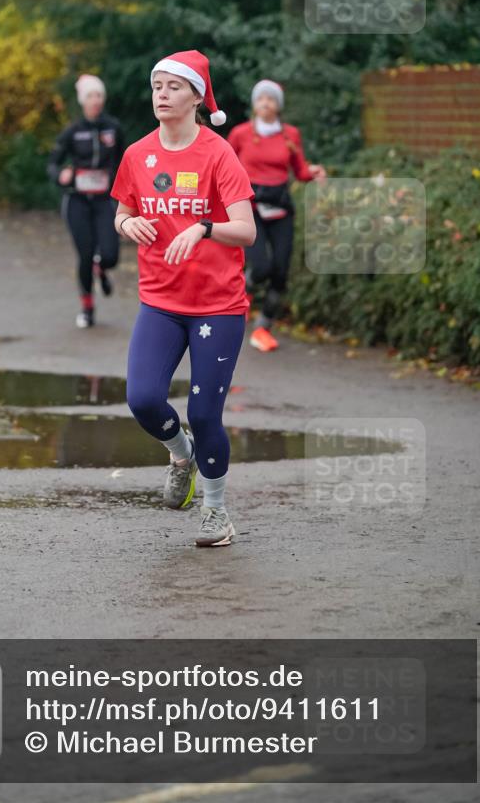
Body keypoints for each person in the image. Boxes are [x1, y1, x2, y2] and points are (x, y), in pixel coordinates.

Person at [110, 50, 256, 547]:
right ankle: (180, 453)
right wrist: (126, 222)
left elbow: (247, 230)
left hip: (218, 304)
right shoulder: (136, 154)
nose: (163, 95)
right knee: (143, 399)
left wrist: (205, 227)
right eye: (157, 87)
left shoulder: (218, 154)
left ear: (197, 96)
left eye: (174, 87)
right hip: (160, 302)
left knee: (205, 413)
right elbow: (123, 212)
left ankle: (215, 512)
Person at [227, 79, 326, 352]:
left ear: (278, 106)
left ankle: (263, 327)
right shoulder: (240, 134)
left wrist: (313, 173)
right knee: (260, 268)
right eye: (261, 99)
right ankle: (238, 292)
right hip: (251, 207)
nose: (266, 103)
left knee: (280, 272)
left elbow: (300, 169)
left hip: (281, 207)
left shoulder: (290, 135)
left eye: (271, 99)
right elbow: (224, 164)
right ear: (254, 104)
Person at [48, 74, 125, 328]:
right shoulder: (72, 131)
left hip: (105, 200)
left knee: (111, 254)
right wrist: (61, 175)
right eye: (91, 96)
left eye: (99, 95)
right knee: (84, 253)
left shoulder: (113, 128)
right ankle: (87, 308)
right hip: (77, 201)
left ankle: (101, 268)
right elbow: (52, 164)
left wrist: (119, 181)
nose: (95, 101)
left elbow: (126, 160)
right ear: (83, 101)